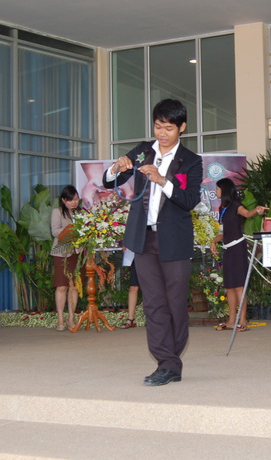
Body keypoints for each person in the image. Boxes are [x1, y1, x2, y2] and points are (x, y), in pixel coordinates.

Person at [103, 98, 202, 386]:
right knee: (154, 304)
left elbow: (189, 200)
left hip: (175, 241)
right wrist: (116, 167)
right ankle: (166, 363)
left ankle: (171, 361)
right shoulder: (143, 151)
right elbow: (110, 181)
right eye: (158, 126)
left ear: (182, 128)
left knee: (175, 303)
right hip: (144, 238)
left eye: (169, 128)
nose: (162, 133)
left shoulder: (191, 161)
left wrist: (161, 180)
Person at [209, 178, 267, 331]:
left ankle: (242, 321)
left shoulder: (236, 205)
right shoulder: (223, 208)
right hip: (227, 249)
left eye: (218, 189)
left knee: (239, 286)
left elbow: (247, 214)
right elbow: (225, 232)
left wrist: (257, 210)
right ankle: (231, 321)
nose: (216, 191)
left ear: (225, 190)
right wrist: (214, 240)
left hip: (237, 248)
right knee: (229, 286)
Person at [50, 185, 82, 332]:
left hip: (77, 252)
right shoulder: (57, 212)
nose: (74, 203)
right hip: (61, 253)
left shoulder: (81, 213)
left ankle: (71, 318)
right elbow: (55, 231)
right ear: (63, 200)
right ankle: (60, 319)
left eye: (76, 199)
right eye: (70, 200)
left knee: (73, 286)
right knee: (62, 286)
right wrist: (70, 230)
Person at [119, 248, 140, 329]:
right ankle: (130, 319)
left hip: (151, 255)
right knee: (133, 287)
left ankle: (154, 318)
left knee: (151, 288)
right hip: (137, 254)